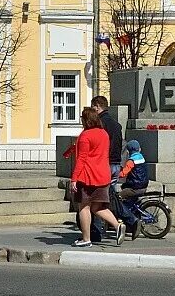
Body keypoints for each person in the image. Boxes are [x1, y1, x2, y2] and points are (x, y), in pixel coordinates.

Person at [61, 106, 125, 248]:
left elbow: (82, 159)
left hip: (88, 176)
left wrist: (74, 178)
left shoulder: (85, 136)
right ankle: (117, 225)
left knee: (84, 207)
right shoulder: (103, 134)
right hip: (103, 175)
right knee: (98, 207)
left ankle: (86, 239)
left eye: (82, 118)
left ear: (86, 120)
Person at [90, 95, 125, 241]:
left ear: (97, 106)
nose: (92, 110)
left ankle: (98, 232)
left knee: (97, 199)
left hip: (105, 165)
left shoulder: (100, 124)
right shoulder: (116, 125)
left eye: (93, 107)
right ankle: (124, 222)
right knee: (108, 196)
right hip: (116, 163)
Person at [111, 139, 151, 236]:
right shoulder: (141, 158)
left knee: (119, 197)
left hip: (135, 187)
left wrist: (116, 175)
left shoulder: (131, 161)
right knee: (129, 200)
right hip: (143, 185)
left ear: (128, 151)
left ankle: (126, 216)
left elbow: (124, 172)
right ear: (139, 149)